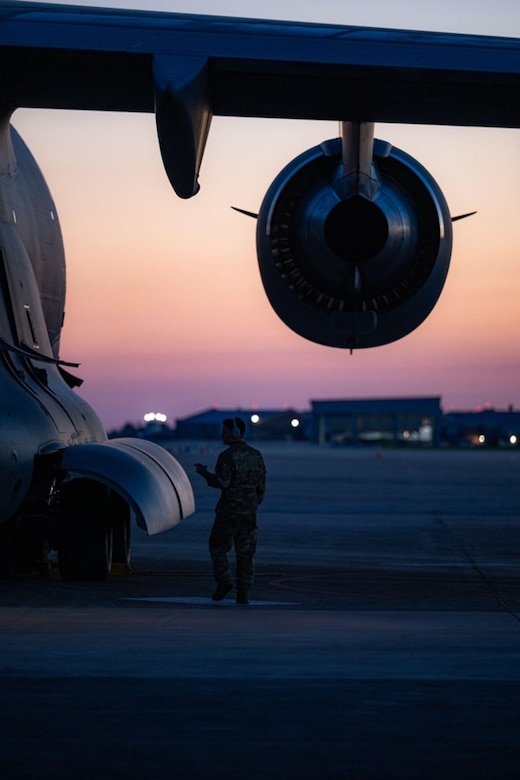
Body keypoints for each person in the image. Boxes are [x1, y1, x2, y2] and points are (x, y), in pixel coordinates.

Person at [195, 417, 266, 604]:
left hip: (228, 512)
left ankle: (225, 580)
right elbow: (261, 488)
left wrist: (205, 474)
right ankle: (244, 592)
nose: (222, 435)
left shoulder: (227, 456)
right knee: (245, 553)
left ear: (234, 433)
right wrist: (252, 503)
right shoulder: (256, 455)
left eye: (225, 431)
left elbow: (222, 482)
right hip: (249, 513)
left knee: (217, 547)